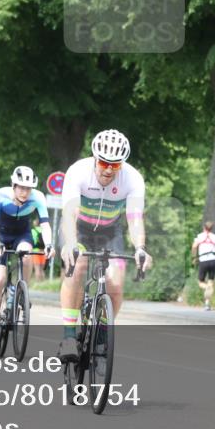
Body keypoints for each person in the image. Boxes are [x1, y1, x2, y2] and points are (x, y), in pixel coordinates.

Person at [59, 129, 152, 356]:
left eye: (116, 165)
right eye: (104, 163)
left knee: (116, 283)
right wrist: (70, 243)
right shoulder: (78, 172)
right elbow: (70, 213)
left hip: (110, 232)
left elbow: (134, 217)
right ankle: (69, 336)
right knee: (78, 266)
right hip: (78, 229)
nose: (109, 169)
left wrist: (140, 248)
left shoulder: (132, 178)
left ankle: (101, 333)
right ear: (95, 158)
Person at [0, 166, 54, 347]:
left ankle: (23, 290)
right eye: (21, 187)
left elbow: (45, 225)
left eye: (28, 188)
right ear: (13, 185)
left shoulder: (38, 198)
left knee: (26, 256)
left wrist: (48, 244)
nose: (25, 192)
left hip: (22, 235)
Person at [192, 220, 215, 311]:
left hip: (203, 261)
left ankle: (206, 287)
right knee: (211, 282)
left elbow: (194, 246)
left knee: (201, 282)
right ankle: (207, 304)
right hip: (212, 260)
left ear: (203, 227)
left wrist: (194, 257)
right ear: (211, 228)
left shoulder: (200, 236)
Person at [30, 217, 47, 281]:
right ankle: (42, 283)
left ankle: (37, 283)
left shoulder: (33, 231)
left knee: (37, 268)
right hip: (43, 251)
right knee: (42, 269)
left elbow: (33, 241)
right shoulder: (43, 230)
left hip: (36, 251)